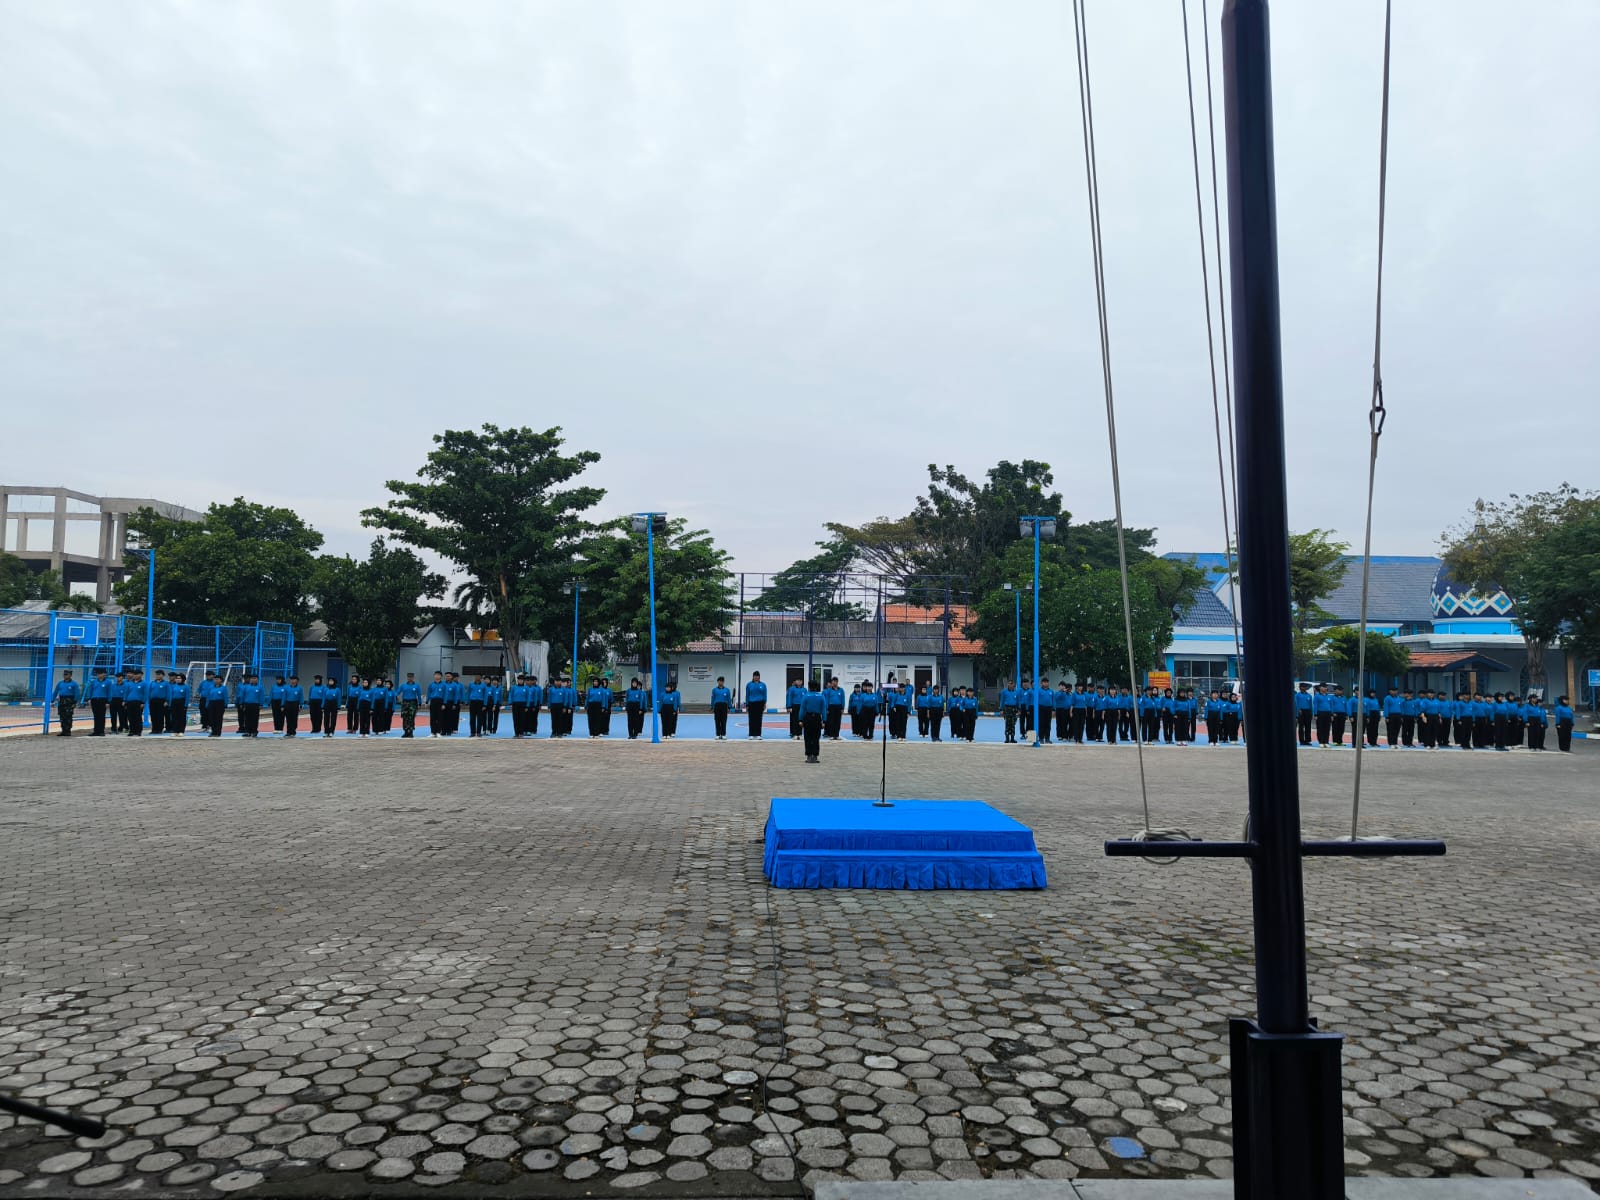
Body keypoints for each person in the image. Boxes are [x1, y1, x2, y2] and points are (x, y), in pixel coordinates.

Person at [800, 677, 826, 763]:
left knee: (807, 737)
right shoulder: (821, 696)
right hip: (817, 718)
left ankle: (808, 755)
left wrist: (800, 720)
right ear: (817, 686)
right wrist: (824, 721)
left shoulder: (806, 696)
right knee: (816, 737)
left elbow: (802, 709)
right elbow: (823, 710)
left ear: (809, 686)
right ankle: (815, 756)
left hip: (808, 718)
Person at [51, 669, 80, 736]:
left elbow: (77, 693)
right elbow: (56, 691)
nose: (65, 676)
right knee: (62, 716)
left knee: (68, 716)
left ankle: (68, 731)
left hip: (70, 700)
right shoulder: (60, 683)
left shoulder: (74, 684)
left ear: (70, 675)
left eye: (66, 674)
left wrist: (75, 702)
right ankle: (63, 730)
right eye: (64, 674)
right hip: (62, 700)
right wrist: (52, 700)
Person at [86, 667, 111, 736]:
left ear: (104, 674)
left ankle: (101, 731)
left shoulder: (108, 682)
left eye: (101, 673)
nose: (99, 675)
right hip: (94, 700)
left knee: (102, 716)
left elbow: (109, 692)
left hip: (103, 700)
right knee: (96, 716)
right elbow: (90, 690)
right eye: (98, 674)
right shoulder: (94, 682)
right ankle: (96, 731)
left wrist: (108, 702)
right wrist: (89, 698)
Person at [123, 669, 146, 737]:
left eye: (137, 674)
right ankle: (132, 731)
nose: (135, 676)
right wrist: (125, 701)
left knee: (138, 717)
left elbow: (145, 694)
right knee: (130, 717)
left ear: (141, 675)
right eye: (135, 674)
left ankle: (138, 731)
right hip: (130, 702)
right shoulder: (130, 683)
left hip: (138, 702)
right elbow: (126, 693)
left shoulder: (143, 683)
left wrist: (143, 702)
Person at [745, 672, 767, 738]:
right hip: (751, 703)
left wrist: (764, 703)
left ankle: (758, 734)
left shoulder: (763, 685)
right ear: (753, 677)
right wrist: (747, 705)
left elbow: (764, 694)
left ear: (759, 677)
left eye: (757, 676)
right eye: (755, 676)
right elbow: (747, 695)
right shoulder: (749, 685)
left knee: (759, 719)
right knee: (751, 719)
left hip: (760, 703)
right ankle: (751, 734)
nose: (756, 677)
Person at [1000, 678, 1019, 744]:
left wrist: (1019, 709)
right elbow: (1002, 701)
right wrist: (1001, 709)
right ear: (1008, 684)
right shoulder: (1004, 692)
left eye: (1012, 683)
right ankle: (1007, 738)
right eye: (1009, 683)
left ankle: (1012, 738)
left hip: (1014, 708)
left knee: (1013, 724)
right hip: (1007, 708)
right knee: (1007, 723)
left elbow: (1018, 701)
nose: (1010, 685)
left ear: (1013, 684)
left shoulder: (1016, 692)